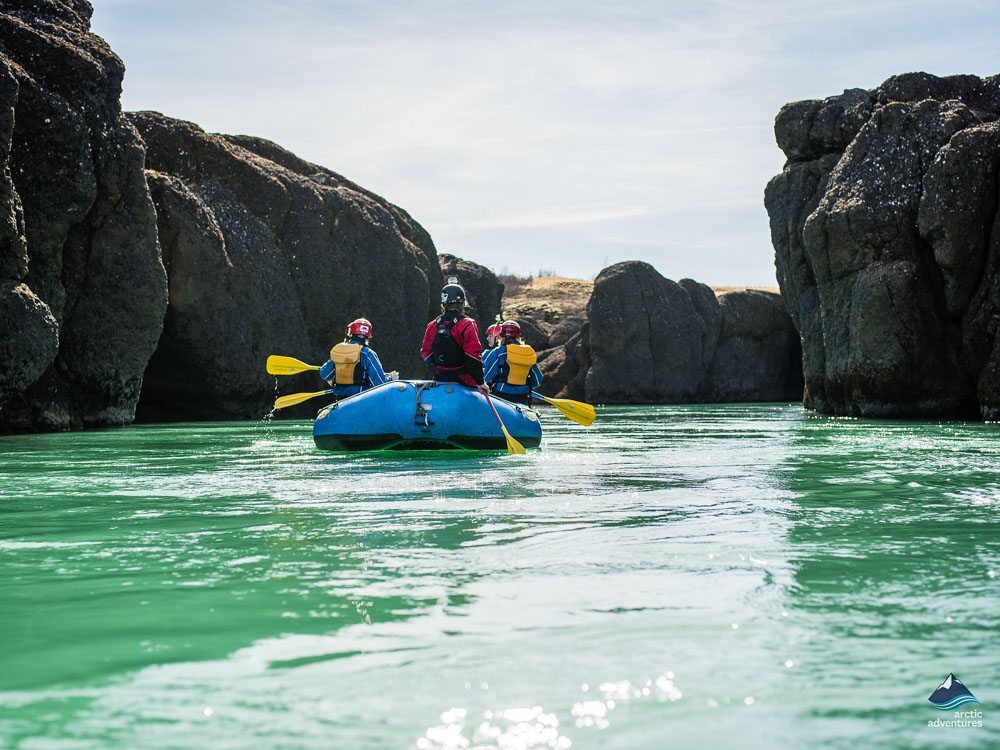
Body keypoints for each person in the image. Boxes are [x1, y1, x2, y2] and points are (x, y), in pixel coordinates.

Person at [420, 279, 489, 394]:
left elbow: (426, 353)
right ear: (462, 303)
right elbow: (474, 357)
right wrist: (481, 382)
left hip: (440, 379)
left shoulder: (433, 325)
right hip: (464, 381)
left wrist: (440, 367)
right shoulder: (467, 324)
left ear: (444, 304)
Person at [319, 318, 389, 398]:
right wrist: (391, 379)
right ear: (368, 335)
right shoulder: (367, 353)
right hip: (359, 400)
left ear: (350, 332)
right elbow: (379, 383)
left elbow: (324, 374)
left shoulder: (339, 350)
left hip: (339, 401)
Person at [483, 320, 543, 404]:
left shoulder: (499, 351)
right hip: (522, 396)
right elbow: (538, 379)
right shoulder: (529, 352)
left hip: (501, 394)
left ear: (501, 335)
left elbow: (487, 376)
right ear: (518, 336)